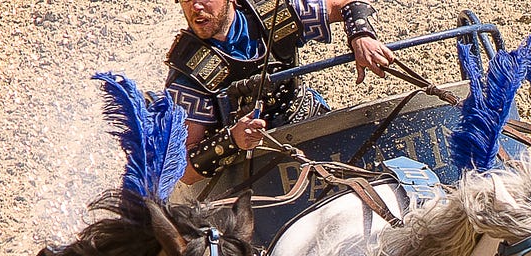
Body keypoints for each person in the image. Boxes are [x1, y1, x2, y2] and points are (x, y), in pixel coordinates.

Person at [165, 0, 396, 184]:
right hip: (250, 171)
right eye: (185, 0)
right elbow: (182, 170)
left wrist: (361, 37)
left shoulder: (274, 12)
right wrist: (232, 139)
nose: (195, 6)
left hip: (313, 126)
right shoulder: (187, 75)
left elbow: (350, 4)